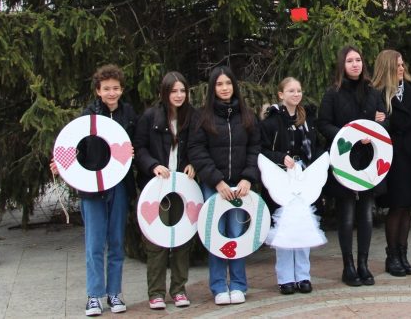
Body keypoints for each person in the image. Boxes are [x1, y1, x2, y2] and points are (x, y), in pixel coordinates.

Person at [50, 64, 137, 317]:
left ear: (121, 90)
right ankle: (94, 296)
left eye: (116, 88)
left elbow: (136, 145)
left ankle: (114, 293)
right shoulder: (87, 116)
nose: (112, 93)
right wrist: (60, 164)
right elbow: (73, 148)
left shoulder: (128, 114)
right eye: (107, 88)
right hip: (92, 189)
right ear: (98, 90)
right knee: (95, 244)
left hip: (119, 186)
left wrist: (132, 153)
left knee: (117, 242)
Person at [188, 66, 260, 306]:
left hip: (241, 186)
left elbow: (254, 149)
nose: (224, 88)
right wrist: (217, 180)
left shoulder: (247, 115)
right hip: (215, 186)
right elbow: (197, 151)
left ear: (234, 86)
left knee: (236, 234)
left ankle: (238, 284)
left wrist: (248, 177)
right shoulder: (202, 116)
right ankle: (219, 286)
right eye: (219, 84)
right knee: (216, 234)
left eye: (228, 83)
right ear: (213, 88)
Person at [318, 46, 387, 286]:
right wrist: (350, 135)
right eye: (350, 61)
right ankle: (348, 267)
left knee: (367, 215)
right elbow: (324, 124)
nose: (355, 64)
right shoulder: (332, 94)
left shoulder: (373, 91)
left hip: (368, 159)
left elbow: (382, 120)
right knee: (346, 215)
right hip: (343, 159)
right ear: (342, 65)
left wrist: (381, 123)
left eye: (358, 59)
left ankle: (364, 265)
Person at [133, 71, 197, 310]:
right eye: (174, 91)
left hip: (183, 189)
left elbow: (198, 146)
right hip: (156, 189)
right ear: (165, 92)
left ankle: (179, 290)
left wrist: (194, 164)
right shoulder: (151, 116)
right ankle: (156, 293)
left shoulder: (193, 117)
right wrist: (153, 165)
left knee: (181, 240)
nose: (179, 95)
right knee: (156, 242)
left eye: (182, 91)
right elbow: (139, 148)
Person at [370, 49, 411, 276]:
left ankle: (404, 254)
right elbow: (372, 125)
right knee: (396, 205)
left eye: (402, 63)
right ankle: (392, 256)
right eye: (397, 64)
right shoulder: (377, 93)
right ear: (387, 67)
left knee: (408, 206)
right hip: (391, 155)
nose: (401, 67)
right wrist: (381, 120)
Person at [259, 77, 324, 295]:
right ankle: (285, 277)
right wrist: (280, 157)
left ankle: (303, 275)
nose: (296, 94)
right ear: (281, 94)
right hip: (282, 180)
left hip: (303, 179)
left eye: (298, 90)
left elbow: (315, 147)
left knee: (304, 226)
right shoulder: (270, 122)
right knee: (285, 229)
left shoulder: (308, 119)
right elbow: (262, 150)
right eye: (291, 91)